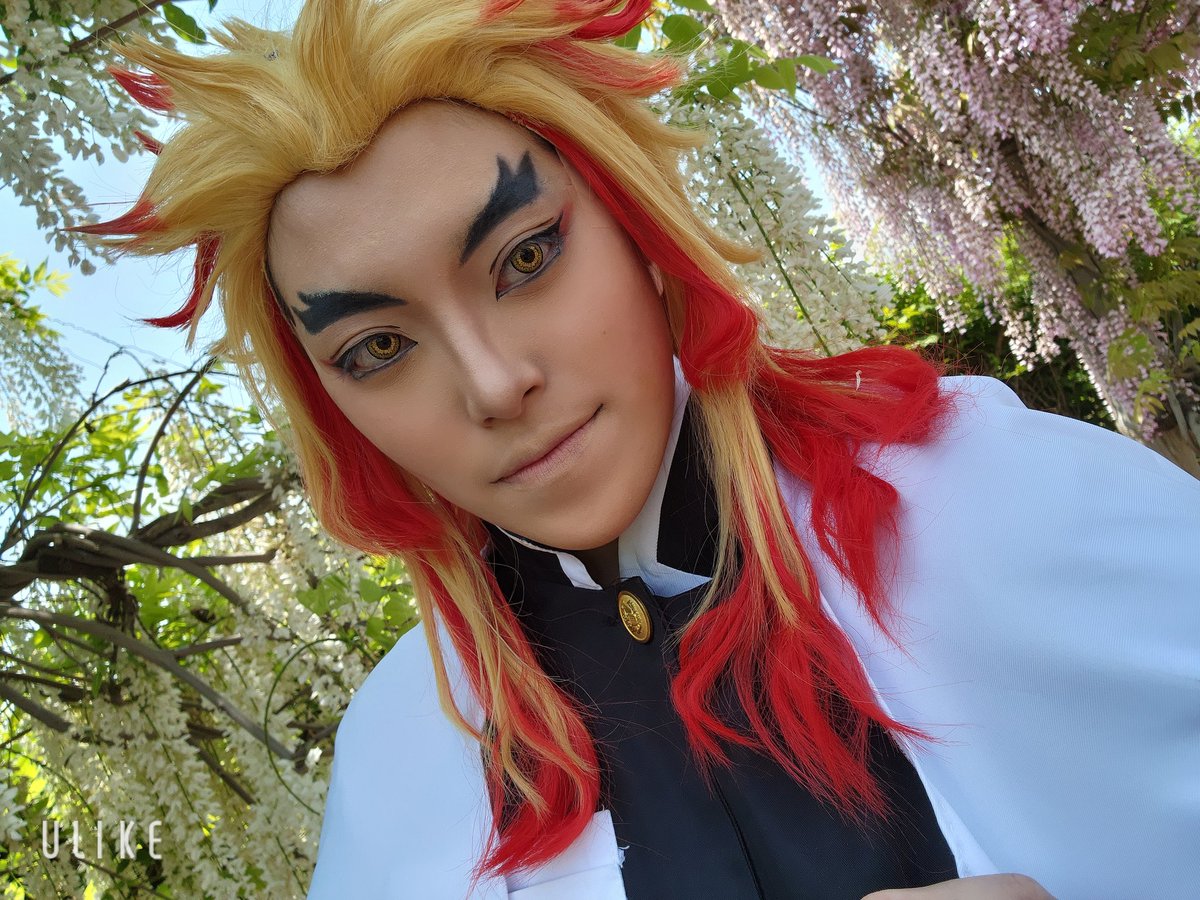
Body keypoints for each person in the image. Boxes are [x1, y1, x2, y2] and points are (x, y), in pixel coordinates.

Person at [83, 0, 1200, 897]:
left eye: (526, 259)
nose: (494, 384)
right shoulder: (406, 748)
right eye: (378, 348)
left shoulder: (983, 500)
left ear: (637, 224)